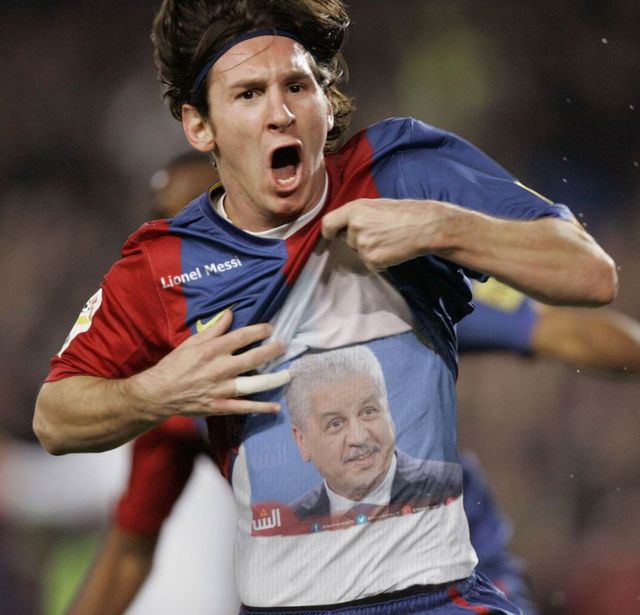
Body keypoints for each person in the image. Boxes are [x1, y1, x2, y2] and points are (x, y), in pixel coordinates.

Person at [33, 1, 618, 613]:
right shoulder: (165, 263)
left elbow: (590, 273)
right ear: (200, 126)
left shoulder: (398, 173)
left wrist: (441, 225)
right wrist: (157, 391)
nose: (281, 113)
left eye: (297, 86)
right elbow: (55, 418)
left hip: (438, 599)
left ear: (326, 101)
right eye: (249, 94)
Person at [286, 345, 461, 521]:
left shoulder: (454, 485)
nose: (359, 437)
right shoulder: (290, 523)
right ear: (302, 441)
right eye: (336, 423)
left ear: (387, 409)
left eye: (368, 411)